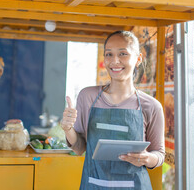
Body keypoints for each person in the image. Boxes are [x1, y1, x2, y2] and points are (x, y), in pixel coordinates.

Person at [61, 30, 165, 190]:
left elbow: (159, 155)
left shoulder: (151, 106)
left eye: (123, 54)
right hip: (94, 185)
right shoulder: (88, 96)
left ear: (138, 59)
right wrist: (68, 129)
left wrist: (147, 158)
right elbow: (80, 148)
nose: (115, 61)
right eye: (109, 54)